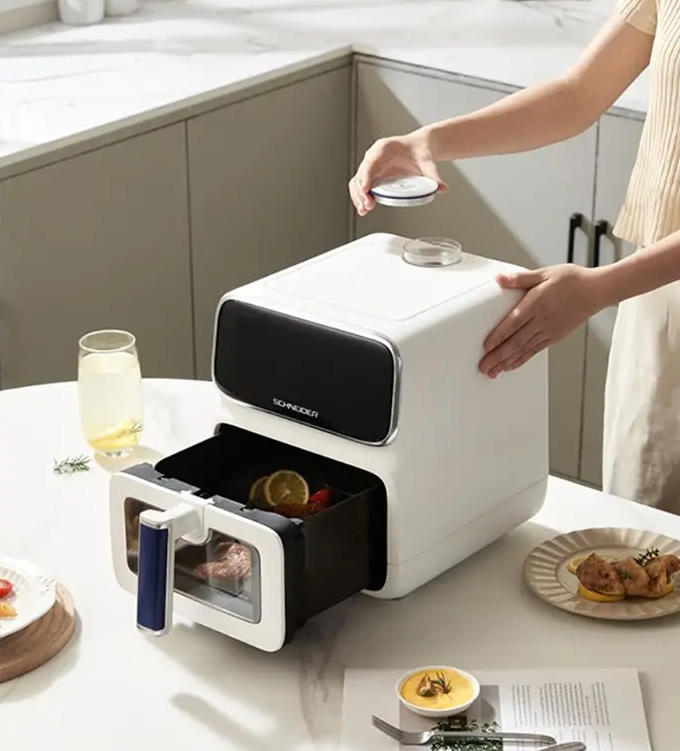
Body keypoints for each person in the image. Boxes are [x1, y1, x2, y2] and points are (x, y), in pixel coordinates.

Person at [349, 0, 680, 513]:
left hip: (641, 281)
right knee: (646, 521)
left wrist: (601, 286)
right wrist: (425, 142)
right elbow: (577, 95)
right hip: (657, 294)